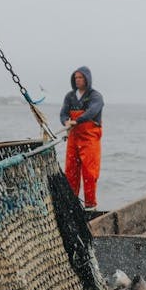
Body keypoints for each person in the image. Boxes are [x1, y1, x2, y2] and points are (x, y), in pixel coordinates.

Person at [60, 66, 104, 211]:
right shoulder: (70, 96)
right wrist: (66, 121)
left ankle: (90, 206)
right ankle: (72, 206)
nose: (77, 80)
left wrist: (77, 121)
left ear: (87, 79)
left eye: (80, 77)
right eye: (76, 78)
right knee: (71, 170)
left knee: (89, 172)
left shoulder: (95, 96)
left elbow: (93, 111)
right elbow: (63, 113)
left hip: (89, 138)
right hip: (73, 137)